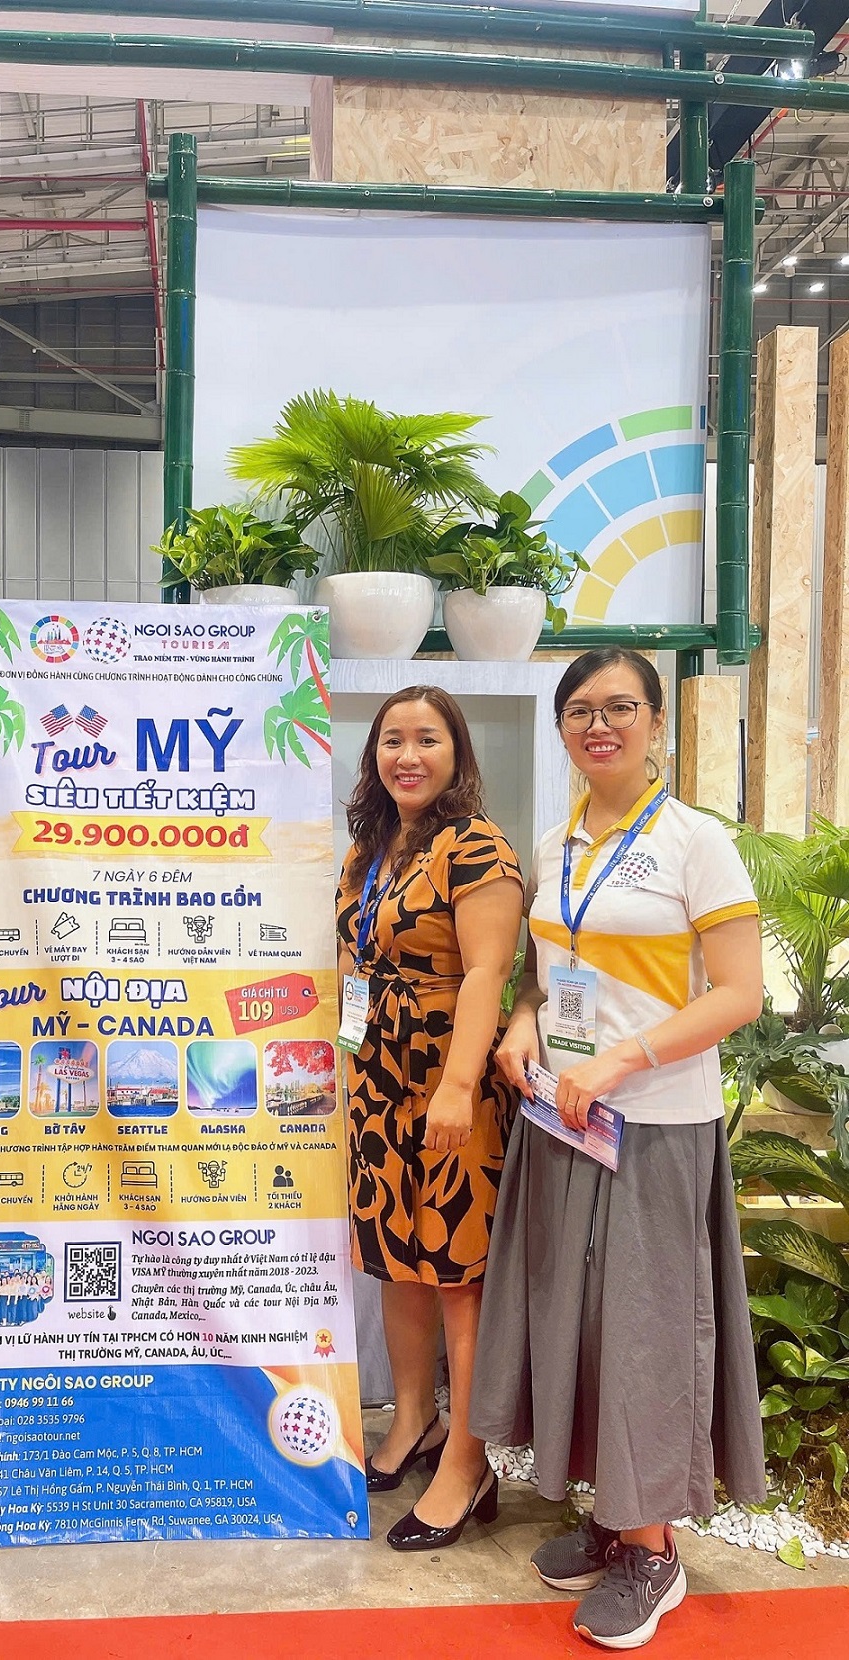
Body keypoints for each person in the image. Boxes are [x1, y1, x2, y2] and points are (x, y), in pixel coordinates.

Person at [470, 649, 766, 1651]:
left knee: (644, 1330)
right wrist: (523, 1022)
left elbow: (739, 994)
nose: (599, 725)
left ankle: (653, 1551)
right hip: (563, 1117)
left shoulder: (695, 842)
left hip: (657, 1123)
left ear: (656, 723)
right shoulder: (554, 843)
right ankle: (611, 1514)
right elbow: (545, 971)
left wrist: (624, 1058)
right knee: (582, 1323)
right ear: (561, 729)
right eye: (581, 711)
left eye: (620, 707)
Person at [336, 685, 523, 1552]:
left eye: (427, 739)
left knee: (456, 1271)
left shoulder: (476, 847)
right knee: (394, 1259)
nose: (407, 756)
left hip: (450, 1077)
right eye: (392, 740)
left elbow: (487, 972)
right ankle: (413, 1419)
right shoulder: (370, 848)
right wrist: (347, 1058)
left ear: (456, 754)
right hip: (377, 1075)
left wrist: (456, 1086)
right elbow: (352, 959)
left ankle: (466, 1460)